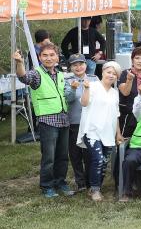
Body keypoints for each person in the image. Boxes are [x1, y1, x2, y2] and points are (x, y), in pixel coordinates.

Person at [15, 45, 76, 198]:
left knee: (62, 155)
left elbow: (66, 95)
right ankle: (47, 185)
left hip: (63, 120)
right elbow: (23, 77)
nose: (48, 58)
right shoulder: (37, 74)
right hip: (47, 121)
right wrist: (19, 63)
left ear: (57, 57)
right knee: (49, 157)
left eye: (51, 55)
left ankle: (60, 181)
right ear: (40, 57)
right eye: (45, 55)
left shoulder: (61, 75)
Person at [77, 61, 123, 201]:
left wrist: (118, 133)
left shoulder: (115, 93)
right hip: (92, 130)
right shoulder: (92, 86)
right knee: (97, 159)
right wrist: (85, 89)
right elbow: (84, 103)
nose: (111, 75)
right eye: (109, 72)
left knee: (103, 162)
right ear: (102, 72)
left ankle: (96, 186)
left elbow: (116, 115)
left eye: (114, 74)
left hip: (108, 132)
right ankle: (95, 189)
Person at [63, 54, 97, 193]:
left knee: (89, 152)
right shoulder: (66, 80)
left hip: (90, 122)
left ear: (85, 65)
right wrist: (73, 88)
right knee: (76, 154)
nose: (78, 67)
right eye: (75, 65)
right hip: (74, 122)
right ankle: (80, 182)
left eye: (81, 64)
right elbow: (68, 99)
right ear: (71, 67)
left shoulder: (94, 79)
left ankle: (90, 180)